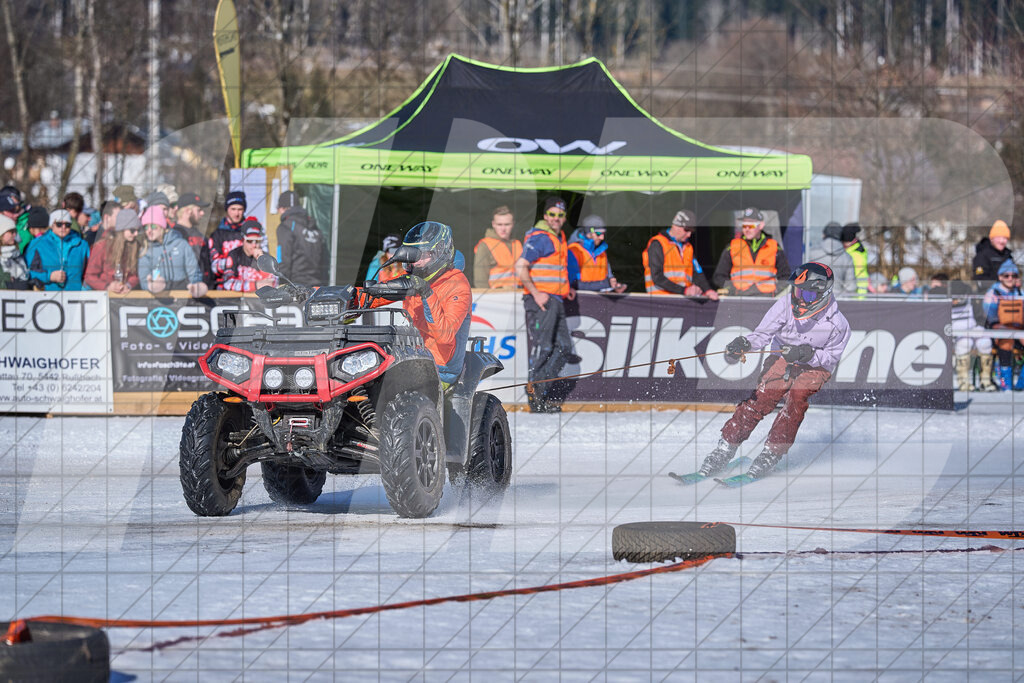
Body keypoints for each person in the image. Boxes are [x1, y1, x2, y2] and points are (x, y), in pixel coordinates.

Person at [698, 262, 852, 479]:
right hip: (783, 357)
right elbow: (762, 335)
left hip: (815, 366)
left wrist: (808, 355)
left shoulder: (838, 324)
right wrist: (745, 344)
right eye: (797, 291)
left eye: (807, 295)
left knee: (797, 397)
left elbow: (831, 359)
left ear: (823, 295)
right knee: (762, 399)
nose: (800, 299)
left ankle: (772, 452)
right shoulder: (785, 305)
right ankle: (725, 448)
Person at [364, 221, 472, 387]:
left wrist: (426, 293)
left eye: (422, 255)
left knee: (392, 392)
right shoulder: (417, 277)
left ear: (439, 252)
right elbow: (375, 295)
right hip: (413, 359)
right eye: (413, 255)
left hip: (440, 369)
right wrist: (347, 297)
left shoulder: (457, 284)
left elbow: (444, 336)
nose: (416, 261)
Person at [513, 196, 577, 413]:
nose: (556, 218)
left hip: (555, 299)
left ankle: (540, 393)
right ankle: (535, 397)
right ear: (545, 216)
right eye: (552, 214)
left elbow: (554, 270)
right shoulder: (541, 237)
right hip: (541, 300)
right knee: (544, 348)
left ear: (564, 217)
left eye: (560, 215)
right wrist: (536, 293)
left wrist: (566, 288)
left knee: (564, 348)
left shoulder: (558, 237)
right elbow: (520, 266)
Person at [712, 207, 790, 296]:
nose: (747, 229)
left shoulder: (774, 247)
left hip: (767, 299)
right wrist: (733, 291)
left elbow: (786, 276)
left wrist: (775, 291)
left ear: (761, 225)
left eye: (751, 226)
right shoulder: (732, 247)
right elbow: (719, 276)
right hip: (740, 298)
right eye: (744, 226)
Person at [642, 210, 716, 297]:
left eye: (691, 231)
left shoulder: (688, 247)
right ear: (675, 226)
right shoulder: (657, 244)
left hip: (681, 298)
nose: (689, 235)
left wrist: (708, 290)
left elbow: (697, 272)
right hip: (660, 299)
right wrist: (684, 290)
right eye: (686, 230)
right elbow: (657, 277)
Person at [138, 206, 208, 298]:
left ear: (162, 226)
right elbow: (143, 279)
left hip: (183, 296)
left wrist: (195, 285)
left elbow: (193, 271)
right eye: (146, 227)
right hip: (158, 299)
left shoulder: (181, 244)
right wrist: (152, 286)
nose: (149, 231)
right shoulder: (145, 250)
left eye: (153, 226)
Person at [982, 259, 1024, 390]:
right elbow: (990, 316)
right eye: (1006, 275)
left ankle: (1021, 383)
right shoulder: (993, 293)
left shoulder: (1019, 293)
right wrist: (1000, 327)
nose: (1010, 278)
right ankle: (1006, 384)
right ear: (1000, 277)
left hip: (1019, 329)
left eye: (1013, 276)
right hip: (1000, 329)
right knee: (1006, 344)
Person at [25, 209, 91, 291]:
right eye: (59, 224)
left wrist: (85, 291)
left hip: (76, 295)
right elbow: (27, 273)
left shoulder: (82, 245)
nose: (63, 227)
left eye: (67, 224)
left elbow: (90, 273)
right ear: (51, 225)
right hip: (47, 295)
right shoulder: (37, 244)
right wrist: (49, 276)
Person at [949, 279, 996, 392]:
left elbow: (979, 317)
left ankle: (985, 380)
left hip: (972, 328)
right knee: (965, 344)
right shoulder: (946, 303)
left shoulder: (971, 301)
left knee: (985, 342)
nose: (956, 300)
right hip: (957, 333)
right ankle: (963, 381)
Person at [84, 207, 144, 293]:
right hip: (103, 296)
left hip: (125, 296)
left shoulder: (135, 246)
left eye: (137, 230)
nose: (136, 234)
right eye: (132, 230)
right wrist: (107, 286)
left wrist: (128, 285)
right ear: (122, 229)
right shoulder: (102, 246)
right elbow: (89, 276)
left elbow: (136, 274)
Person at [275, 190, 328, 286]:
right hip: (317, 285)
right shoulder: (314, 227)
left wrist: (282, 284)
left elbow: (282, 260)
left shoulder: (285, 227)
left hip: (296, 286)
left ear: (282, 208)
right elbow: (324, 261)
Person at [568, 215, 627, 292]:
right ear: (589, 233)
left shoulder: (602, 251)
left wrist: (614, 287)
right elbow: (573, 284)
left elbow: (608, 278)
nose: (602, 237)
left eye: (603, 233)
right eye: (598, 233)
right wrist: (606, 284)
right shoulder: (573, 251)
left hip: (600, 298)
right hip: (580, 298)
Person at [218, 219, 277, 292]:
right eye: (250, 241)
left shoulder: (265, 256)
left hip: (258, 298)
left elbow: (274, 283)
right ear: (243, 240)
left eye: (257, 241)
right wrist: (254, 285)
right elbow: (227, 283)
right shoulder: (234, 255)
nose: (254, 245)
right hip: (239, 298)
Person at [473, 205, 522, 289]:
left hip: (518, 293)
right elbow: (480, 280)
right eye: (499, 224)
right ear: (493, 224)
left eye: (507, 224)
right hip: (497, 294)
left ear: (513, 224)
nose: (503, 229)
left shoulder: (517, 244)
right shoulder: (485, 245)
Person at [206, 190, 248, 289]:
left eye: (240, 209)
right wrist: (233, 262)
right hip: (223, 286)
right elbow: (213, 266)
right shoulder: (217, 235)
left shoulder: (250, 232)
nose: (236, 213)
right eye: (233, 209)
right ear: (227, 209)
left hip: (247, 284)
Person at [805, 222, 856, 295]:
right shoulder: (847, 257)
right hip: (838, 298)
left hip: (814, 297)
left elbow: (802, 278)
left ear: (824, 235)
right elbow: (851, 287)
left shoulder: (811, 253)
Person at [171, 191, 212, 282]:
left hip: (205, 286)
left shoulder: (201, 236)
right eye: (199, 210)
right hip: (184, 287)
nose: (202, 213)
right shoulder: (173, 235)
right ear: (187, 211)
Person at [973, 219, 1013, 292]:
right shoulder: (982, 256)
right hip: (988, 295)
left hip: (1008, 296)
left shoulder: (1008, 256)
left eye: (1005, 238)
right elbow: (980, 281)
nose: (1001, 241)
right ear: (991, 238)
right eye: (998, 237)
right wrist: (1002, 282)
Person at [840, 223, 873, 295]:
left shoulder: (855, 254)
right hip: (857, 291)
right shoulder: (856, 249)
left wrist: (860, 296)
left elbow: (859, 275)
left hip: (857, 293)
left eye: (843, 241)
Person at [0, 215, 31, 289]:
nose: (15, 234)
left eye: (15, 231)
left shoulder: (17, 254)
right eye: (11, 232)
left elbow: (24, 275)